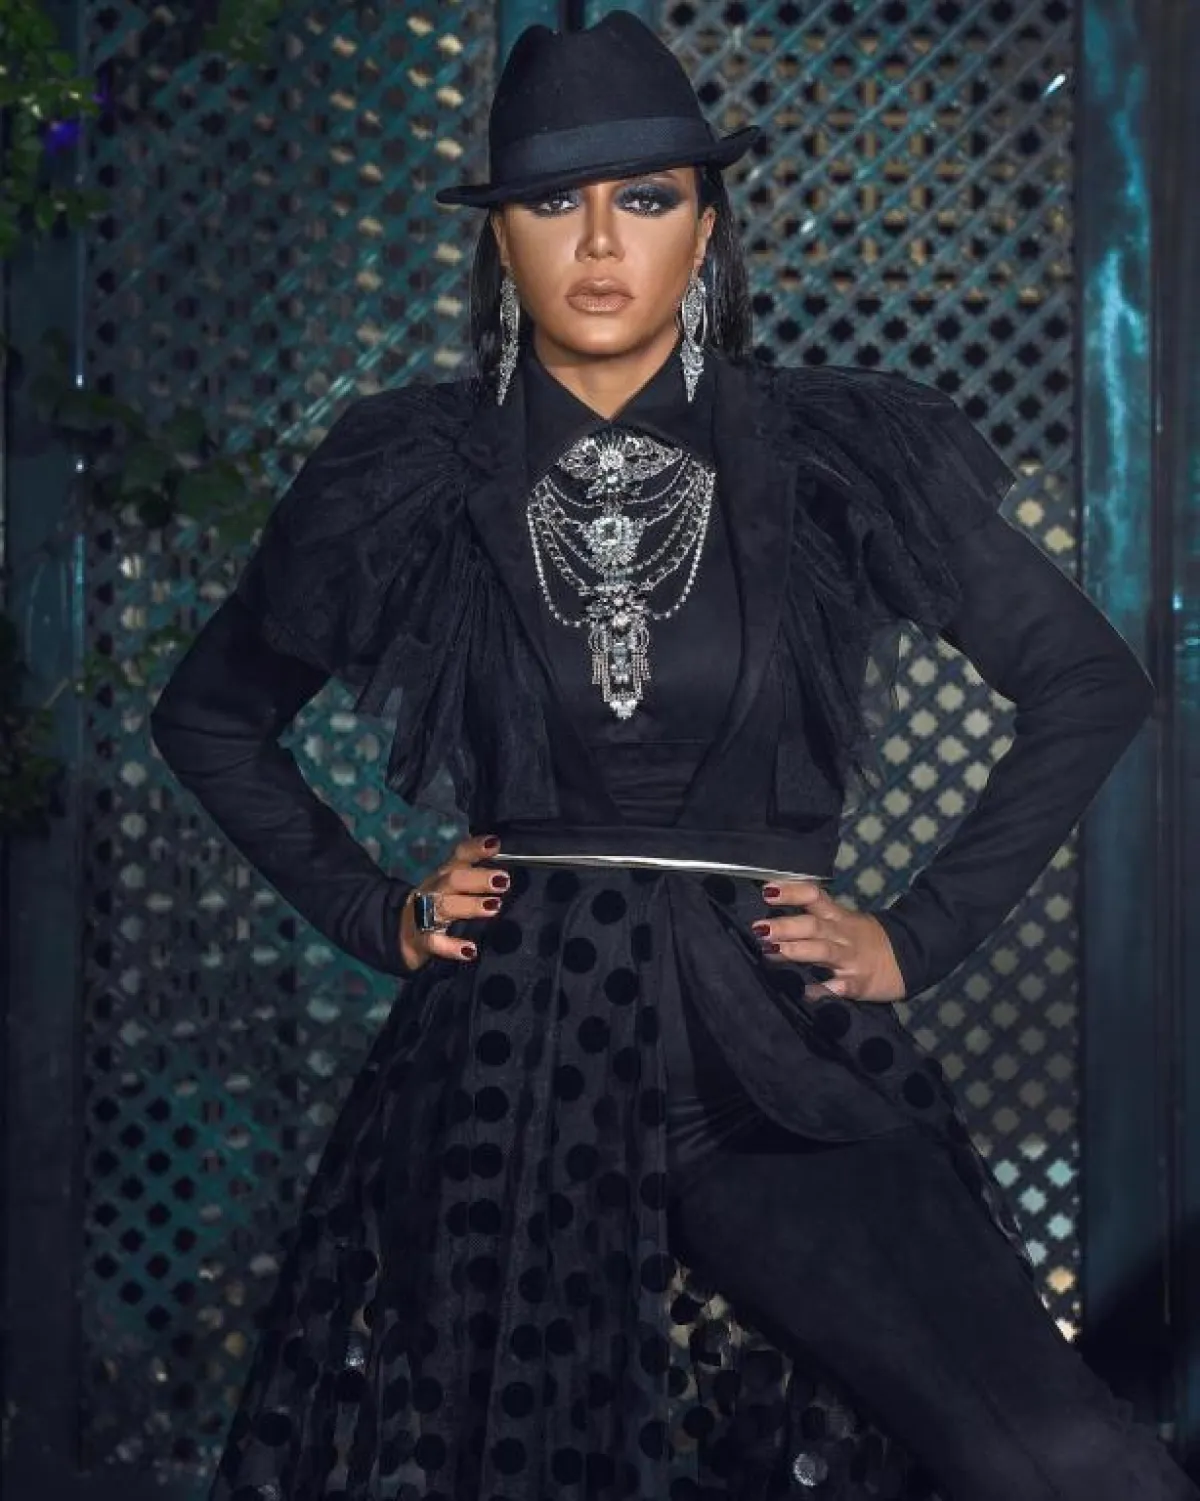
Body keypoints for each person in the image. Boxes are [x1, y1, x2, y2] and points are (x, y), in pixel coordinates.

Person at [149, 12, 1196, 1501]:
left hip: (766, 1049)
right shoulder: (408, 469)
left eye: (644, 198)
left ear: (706, 228)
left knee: (1047, 1448)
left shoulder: (835, 454)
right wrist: (375, 911)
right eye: (550, 202)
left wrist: (919, 934)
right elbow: (209, 717)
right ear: (498, 238)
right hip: (508, 1059)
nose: (598, 243)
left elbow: (1089, 683)